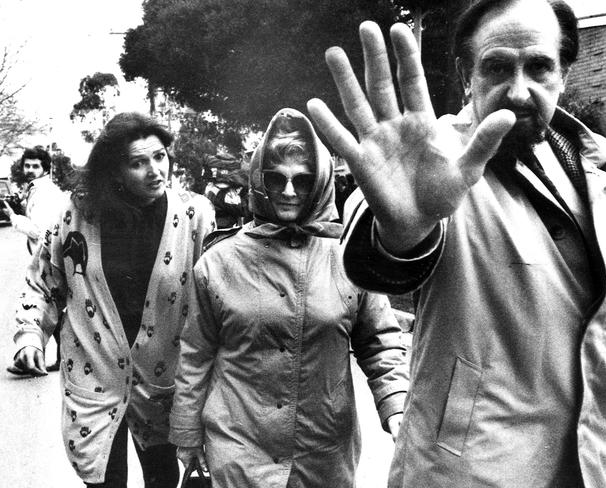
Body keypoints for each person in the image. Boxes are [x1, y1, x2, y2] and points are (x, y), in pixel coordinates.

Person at [306, 1, 606, 487]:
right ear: (467, 75)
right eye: (496, 67)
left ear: (564, 75)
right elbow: (383, 255)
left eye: (538, 67)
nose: (518, 89)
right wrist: (402, 231)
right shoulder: (432, 157)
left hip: (591, 467)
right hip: (464, 471)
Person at [169, 108, 409, 487]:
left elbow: (379, 343)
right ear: (259, 181)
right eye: (276, 179)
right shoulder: (218, 262)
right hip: (238, 444)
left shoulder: (351, 257)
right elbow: (196, 354)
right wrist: (186, 433)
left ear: (321, 182)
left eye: (303, 180)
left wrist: (396, 404)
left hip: (323, 449)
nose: (289, 191)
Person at [11, 112, 216, 487]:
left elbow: (216, 296)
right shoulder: (76, 216)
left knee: (163, 478)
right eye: (138, 163)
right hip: (94, 376)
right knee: (104, 480)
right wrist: (30, 335)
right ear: (114, 171)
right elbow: (44, 281)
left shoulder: (193, 217)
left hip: (164, 383)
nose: (155, 170)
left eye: (159, 157)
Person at [2, 146, 67, 371]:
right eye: (27, 165)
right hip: (47, 256)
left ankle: (35, 358)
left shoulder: (45, 192)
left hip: (48, 258)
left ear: (45, 168)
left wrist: (15, 218)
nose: (30, 170)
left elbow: (40, 230)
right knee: (52, 308)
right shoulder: (37, 189)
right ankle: (38, 358)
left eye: (35, 166)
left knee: (40, 306)